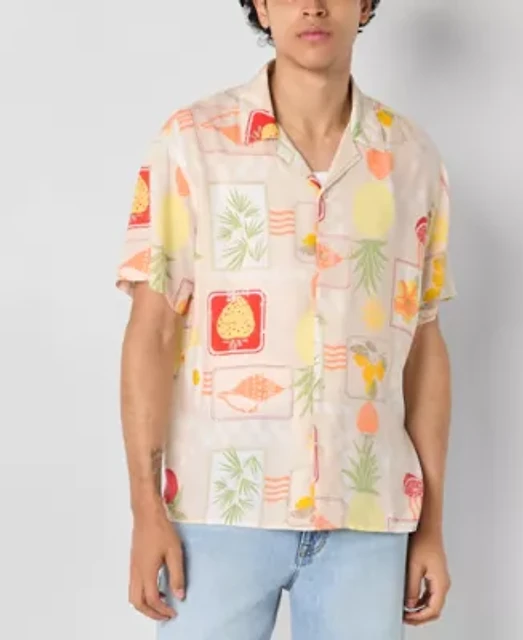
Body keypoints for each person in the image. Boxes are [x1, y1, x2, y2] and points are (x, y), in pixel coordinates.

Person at [116, 1, 457, 638]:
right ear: (262, 6)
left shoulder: (411, 159)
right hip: (218, 509)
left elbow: (423, 345)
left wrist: (431, 526)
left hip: (367, 515)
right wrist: (145, 509)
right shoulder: (193, 143)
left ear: (366, 4)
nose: (314, 6)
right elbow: (152, 331)